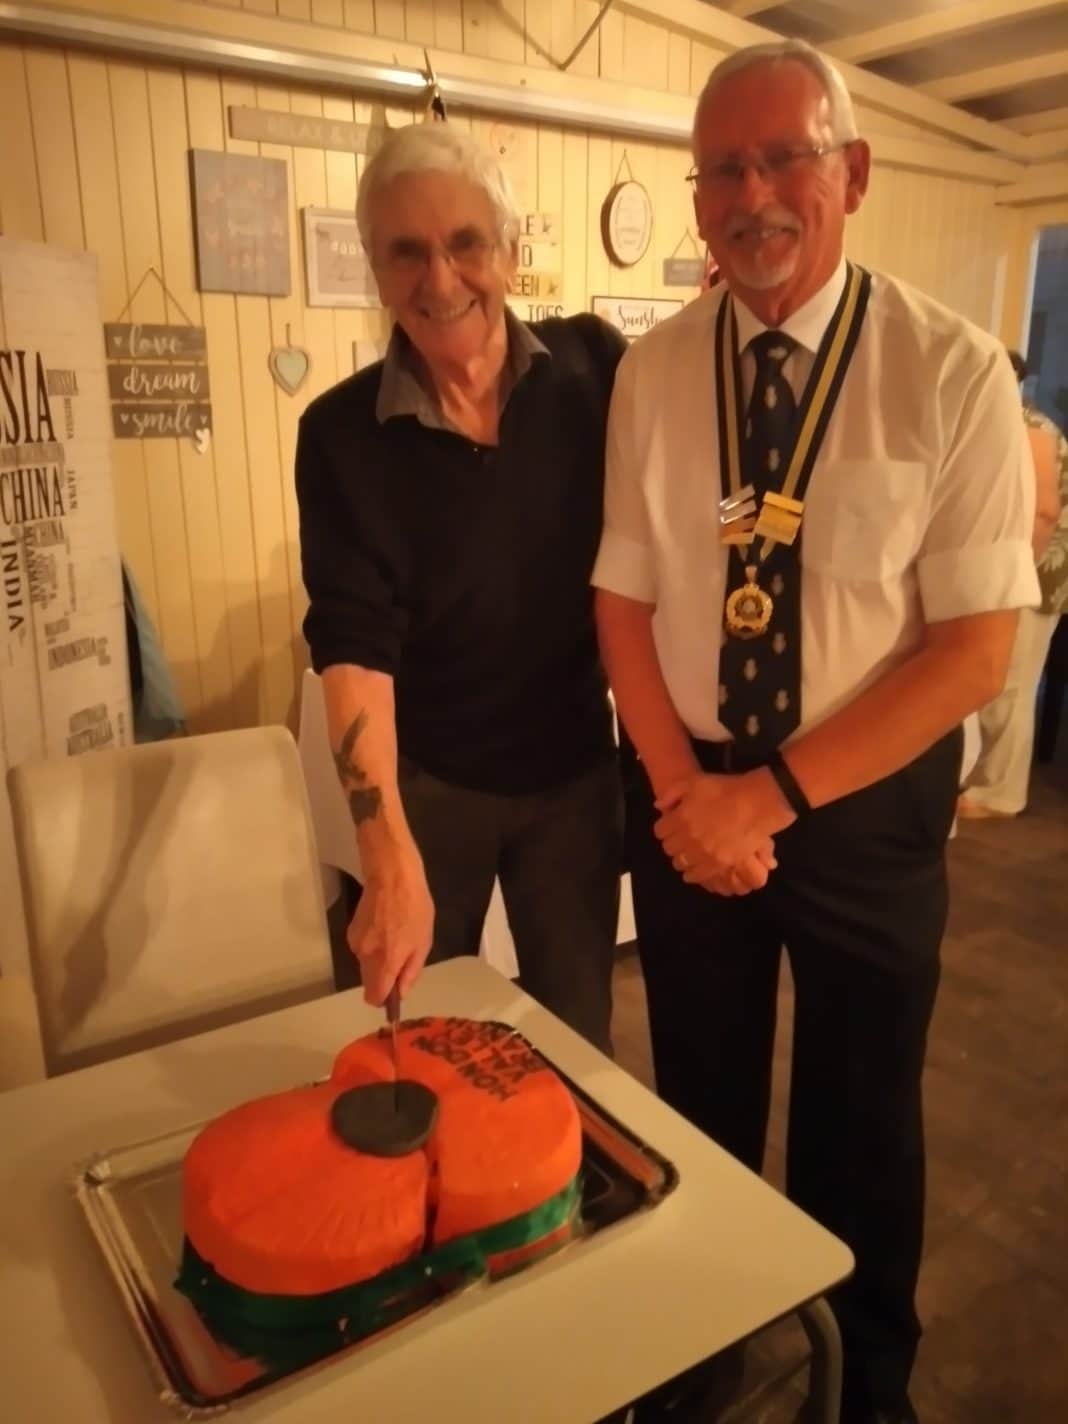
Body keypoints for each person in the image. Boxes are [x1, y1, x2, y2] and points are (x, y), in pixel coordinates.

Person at [592, 39, 1038, 1424]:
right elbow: (621, 597)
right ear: (698, 196)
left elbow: (973, 651)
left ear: (853, 170)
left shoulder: (949, 371)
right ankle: (705, 1355)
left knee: (863, 1123)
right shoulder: (655, 372)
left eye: (785, 155)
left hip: (862, 807)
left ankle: (871, 1390)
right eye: (724, 166)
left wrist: (764, 799)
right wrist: (684, 792)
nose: (754, 191)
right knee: (699, 1105)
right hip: (680, 791)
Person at [295, 124, 626, 1051]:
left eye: (464, 243)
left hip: (573, 779)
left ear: (511, 253)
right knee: (418, 1039)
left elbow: (681, 518)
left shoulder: (595, 370)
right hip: (429, 783)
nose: (439, 282)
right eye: (406, 252)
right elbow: (352, 642)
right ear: (374, 267)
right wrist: (384, 846)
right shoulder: (338, 435)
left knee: (578, 1037)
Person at [959, 349, 1067, 818]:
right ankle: (983, 780)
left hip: (1034, 571)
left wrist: (1016, 577)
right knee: (999, 679)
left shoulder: (1031, 428)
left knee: (1014, 683)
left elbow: (1043, 513)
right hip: (1012, 568)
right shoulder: (1002, 422)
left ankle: (1001, 793)